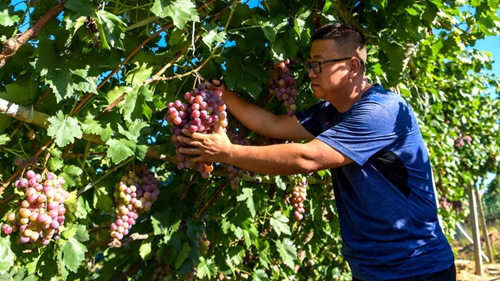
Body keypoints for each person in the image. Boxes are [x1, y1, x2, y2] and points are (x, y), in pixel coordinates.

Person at [177, 22, 456, 281]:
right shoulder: (331, 114)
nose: (311, 72)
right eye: (310, 64)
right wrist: (223, 94)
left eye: (318, 64)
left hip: (417, 268)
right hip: (372, 269)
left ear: (353, 66)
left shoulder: (381, 111)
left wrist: (227, 153)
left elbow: (306, 158)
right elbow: (272, 124)